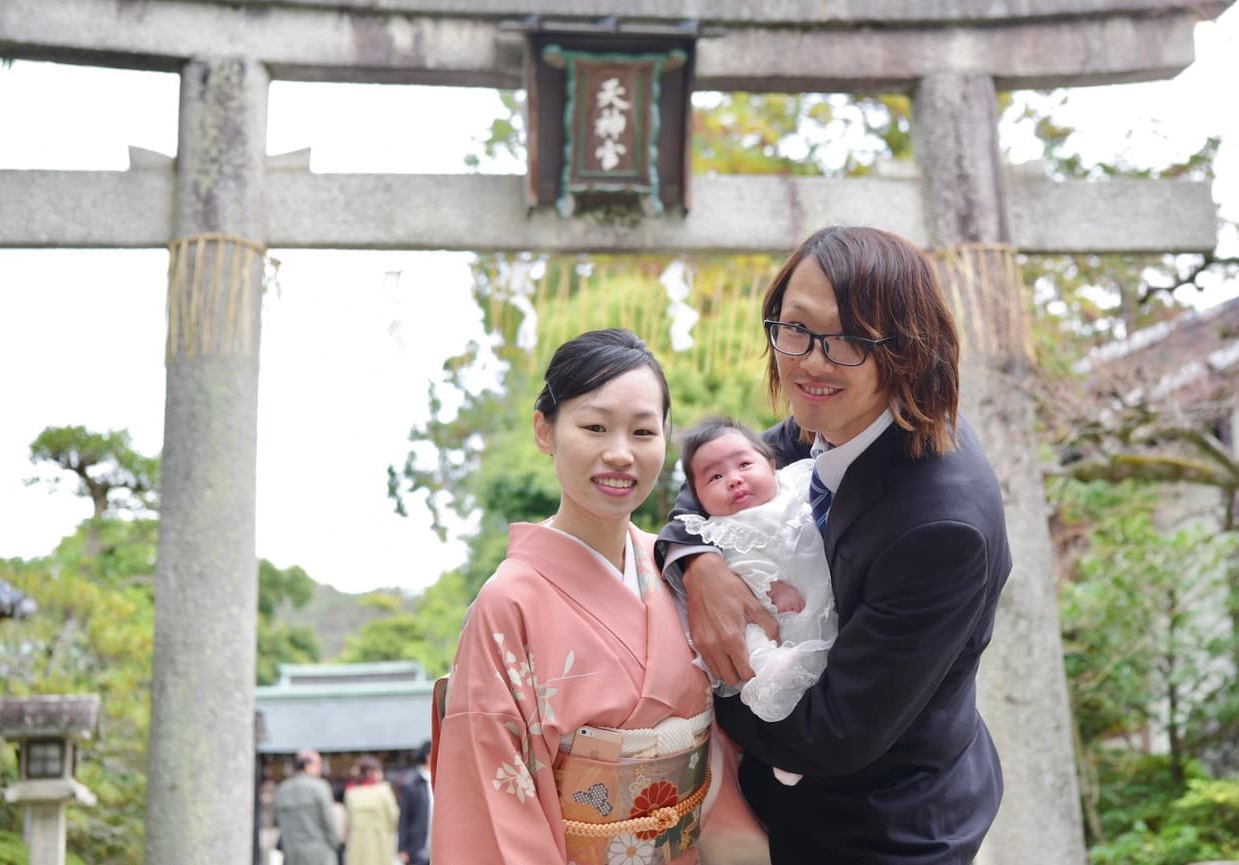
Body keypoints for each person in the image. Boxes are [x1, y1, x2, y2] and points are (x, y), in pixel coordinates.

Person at [658, 225, 1014, 865]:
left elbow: (833, 734)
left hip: (883, 830)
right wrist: (700, 563)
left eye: (850, 338)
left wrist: (704, 688)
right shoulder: (836, 415)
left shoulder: (939, 527)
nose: (812, 362)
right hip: (787, 804)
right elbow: (711, 478)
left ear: (907, 348)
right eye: (796, 329)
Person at [431, 328, 767, 865]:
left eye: (643, 431)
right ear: (544, 431)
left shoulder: (682, 569)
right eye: (594, 427)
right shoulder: (507, 604)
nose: (620, 454)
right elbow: (492, 800)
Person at [674, 417, 835, 725]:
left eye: (744, 465)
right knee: (751, 636)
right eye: (715, 477)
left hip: (822, 592)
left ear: (772, 465)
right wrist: (773, 588)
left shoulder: (793, 485)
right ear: (697, 498)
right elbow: (742, 570)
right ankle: (772, 671)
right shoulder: (724, 528)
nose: (734, 479)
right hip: (777, 614)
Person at [272, 749, 342, 865]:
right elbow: (329, 823)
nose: (320, 769)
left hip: (291, 855)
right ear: (308, 765)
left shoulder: (282, 789)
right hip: (320, 855)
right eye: (318, 764)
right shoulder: (320, 787)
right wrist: (336, 844)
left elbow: (275, 822)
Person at [341, 755, 398, 865]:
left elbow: (348, 823)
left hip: (358, 845)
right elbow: (393, 817)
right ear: (373, 772)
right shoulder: (384, 791)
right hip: (381, 843)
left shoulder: (351, 793)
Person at [396, 740, 431, 865]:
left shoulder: (442, 779)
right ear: (428, 756)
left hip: (438, 846)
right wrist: (402, 849)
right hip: (417, 848)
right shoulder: (411, 783)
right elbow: (404, 818)